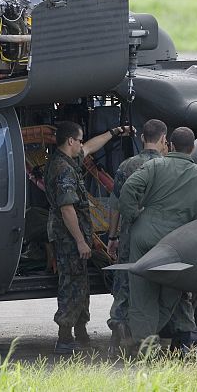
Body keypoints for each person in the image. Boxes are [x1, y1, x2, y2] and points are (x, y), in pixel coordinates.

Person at [119, 127, 197, 349]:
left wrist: (134, 215)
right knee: (173, 294)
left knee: (142, 294)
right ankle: (175, 341)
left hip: (144, 234)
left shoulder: (153, 165)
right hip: (177, 241)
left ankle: (145, 346)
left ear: (169, 145)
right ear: (193, 148)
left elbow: (129, 188)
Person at [44, 120, 131, 354]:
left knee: (80, 283)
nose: (81, 144)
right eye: (79, 139)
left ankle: (80, 332)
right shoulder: (62, 169)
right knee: (71, 284)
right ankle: (64, 338)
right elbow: (67, 209)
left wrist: (114, 132)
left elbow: (91, 147)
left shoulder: (68, 160)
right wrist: (81, 241)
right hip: (68, 237)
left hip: (74, 235)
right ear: (70, 141)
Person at [105, 119, 168, 350]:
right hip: (159, 236)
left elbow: (116, 206)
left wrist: (112, 238)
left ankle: (117, 335)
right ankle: (150, 336)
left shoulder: (127, 166)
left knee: (123, 283)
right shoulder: (168, 165)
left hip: (129, 236)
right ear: (163, 140)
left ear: (142, 138)